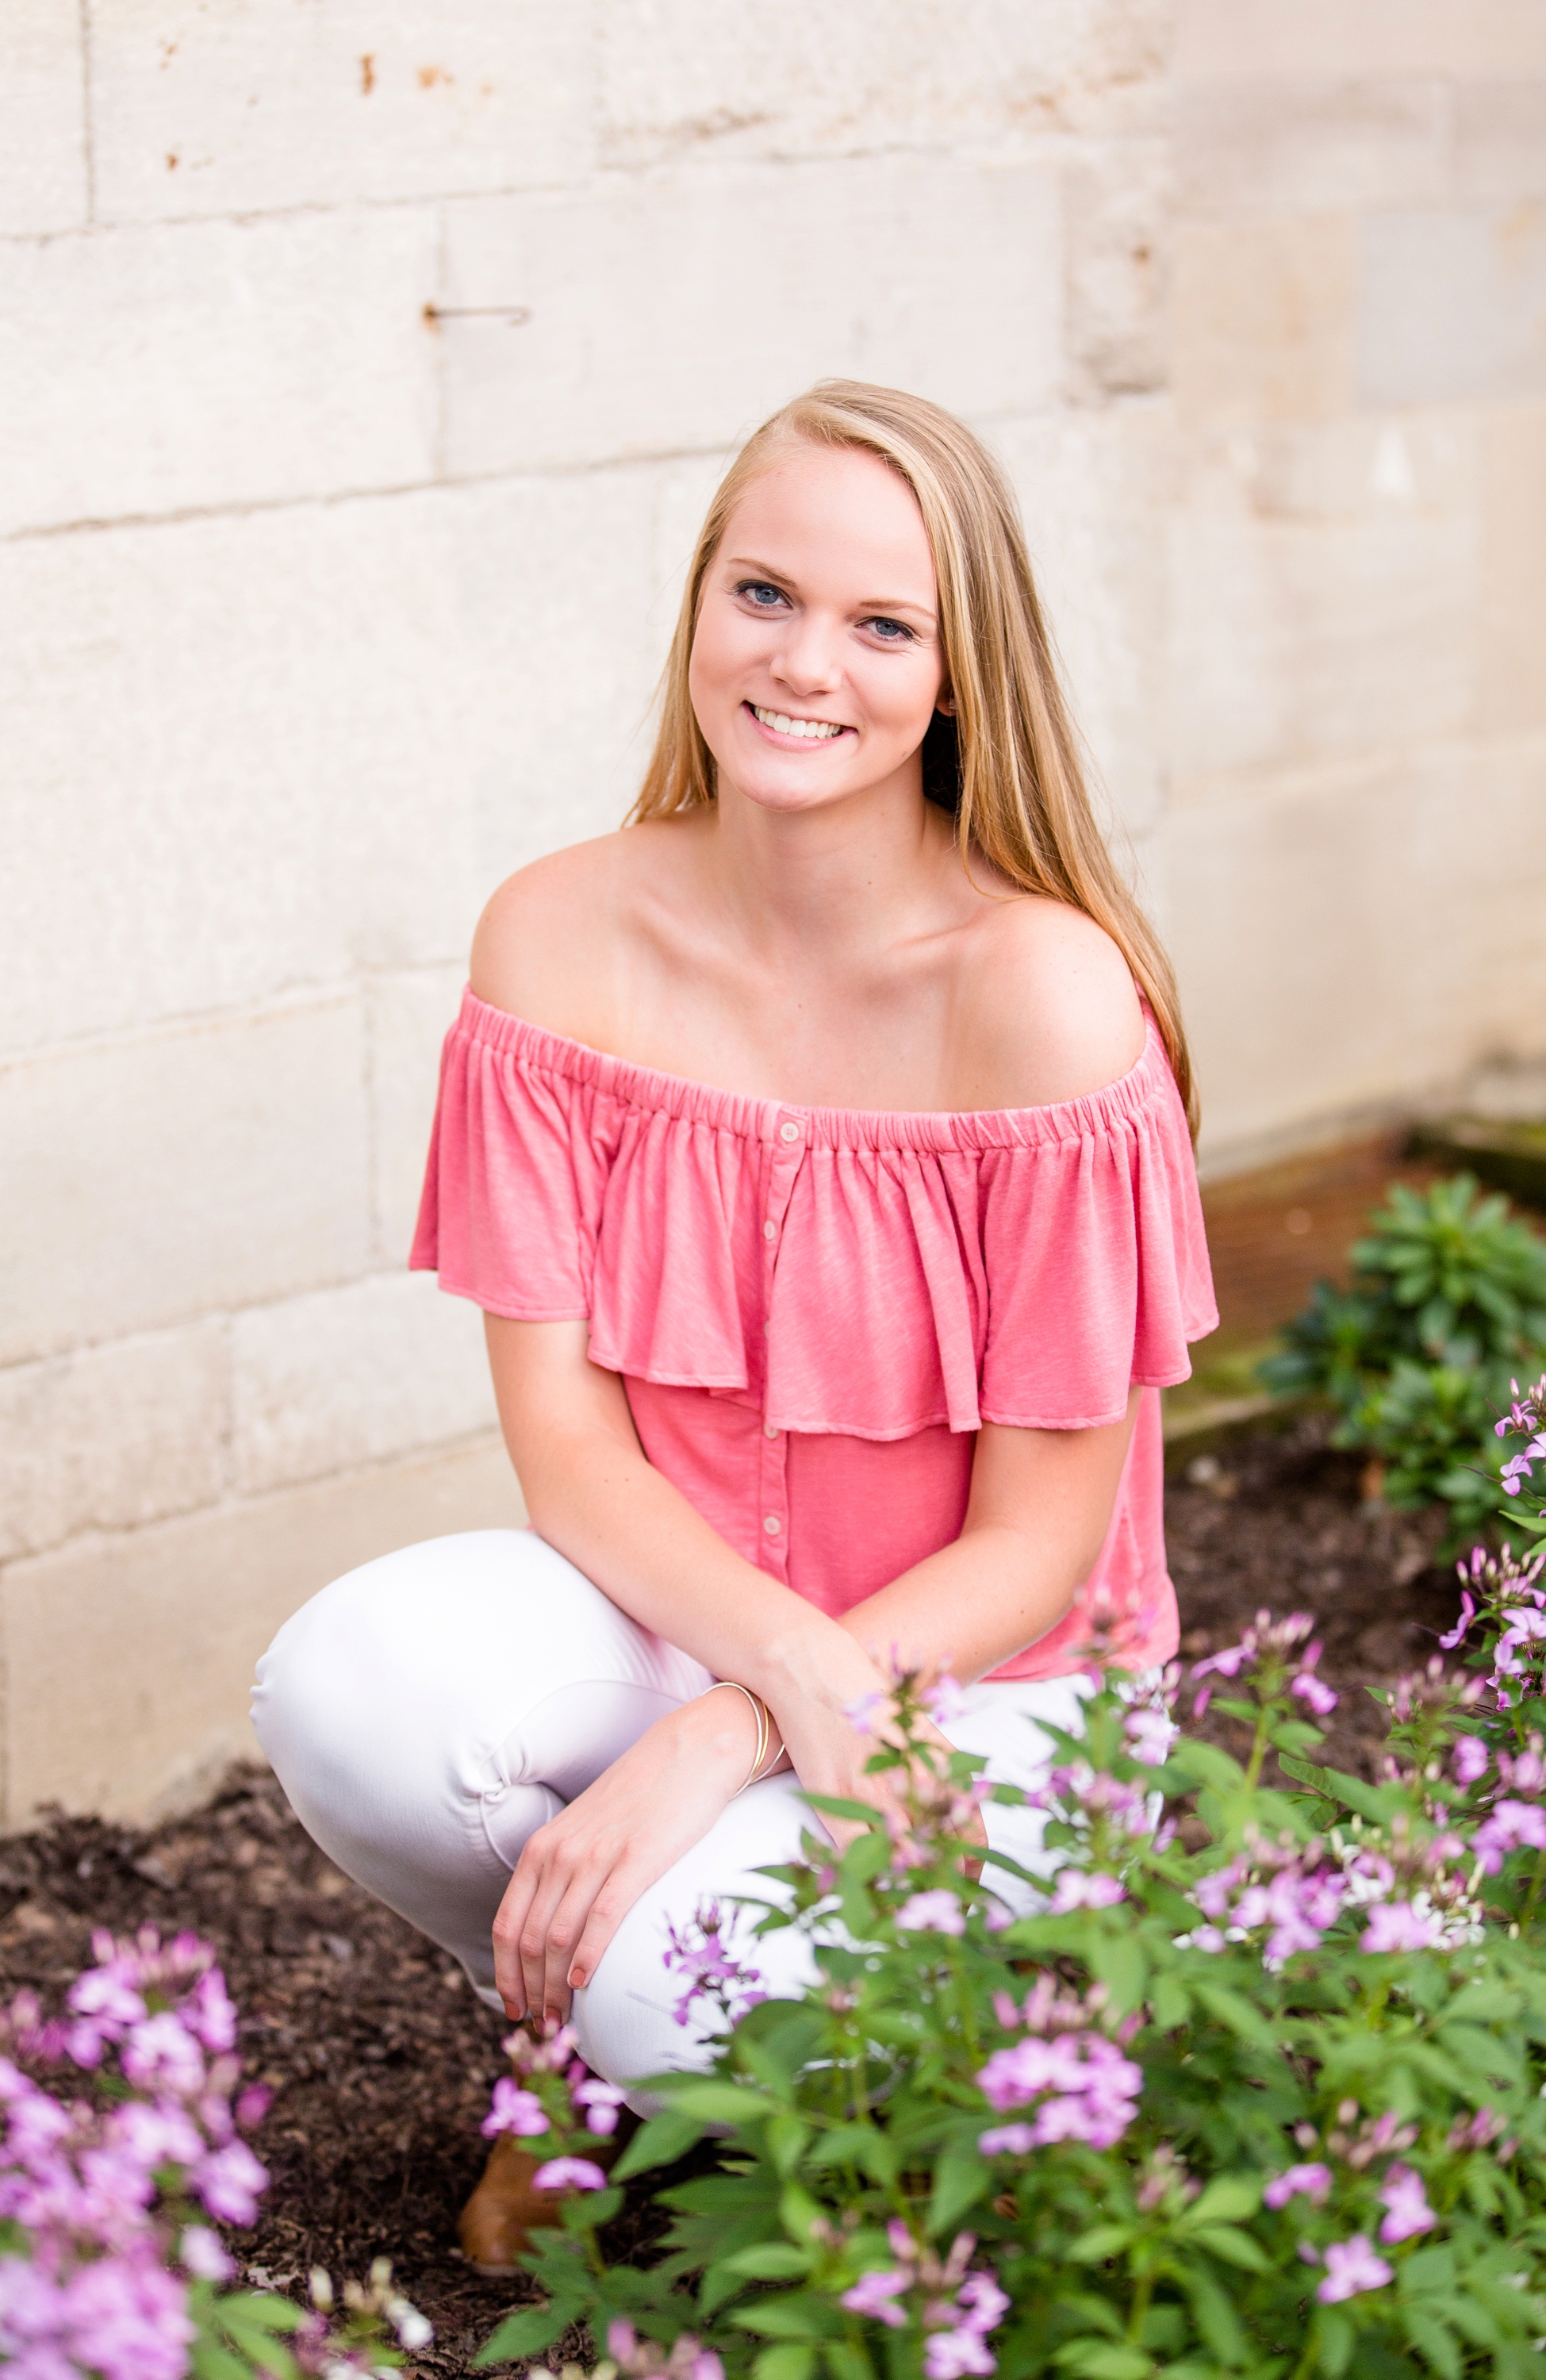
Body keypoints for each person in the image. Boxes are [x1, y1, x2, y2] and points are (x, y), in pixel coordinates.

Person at [251, 380, 1216, 2269]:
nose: (804, 665)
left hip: (990, 1699)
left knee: (672, 1982)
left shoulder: (1043, 997)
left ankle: (766, 2049)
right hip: (678, 1615)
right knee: (347, 1688)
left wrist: (718, 1743)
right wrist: (742, 1689)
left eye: (881, 624)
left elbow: (1038, 1546)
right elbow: (570, 1448)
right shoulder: (557, 941)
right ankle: (585, 2065)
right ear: (700, 602)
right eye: (763, 593)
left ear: (960, 675)